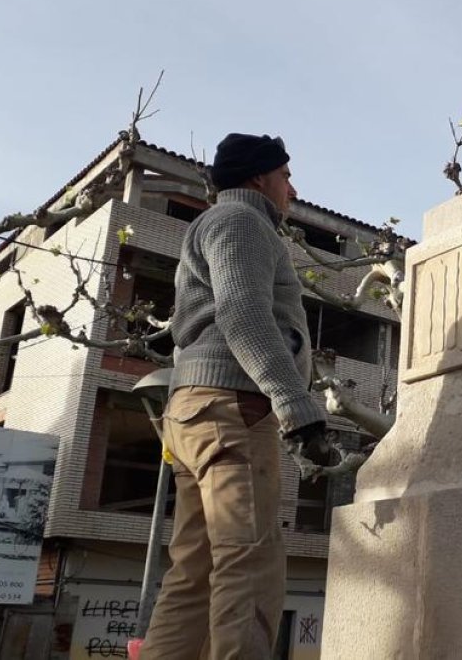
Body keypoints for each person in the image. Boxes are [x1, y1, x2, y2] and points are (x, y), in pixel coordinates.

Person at [139, 133, 329, 660]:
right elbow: (242, 311)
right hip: (234, 406)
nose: (292, 187)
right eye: (286, 175)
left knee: (195, 571)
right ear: (258, 178)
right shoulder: (242, 222)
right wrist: (295, 403)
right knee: (248, 563)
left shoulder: (216, 224)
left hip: (198, 408)